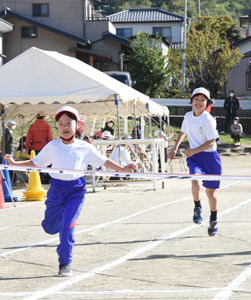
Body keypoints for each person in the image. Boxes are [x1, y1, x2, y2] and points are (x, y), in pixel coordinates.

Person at [4, 106, 137, 276]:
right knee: (51, 228)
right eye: (61, 124)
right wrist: (16, 164)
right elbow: (36, 163)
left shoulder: (85, 147)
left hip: (76, 191)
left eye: (69, 123)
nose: (65, 127)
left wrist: (124, 169)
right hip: (56, 190)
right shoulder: (52, 146)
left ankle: (65, 263)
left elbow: (104, 161)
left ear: (78, 125)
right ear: (57, 127)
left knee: (68, 227)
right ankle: (54, 222)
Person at [167, 87, 222, 237]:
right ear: (191, 101)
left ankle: (213, 219)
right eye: (196, 99)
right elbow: (182, 132)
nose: (199, 102)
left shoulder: (207, 119)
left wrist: (192, 151)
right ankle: (197, 207)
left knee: (211, 193)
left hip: (210, 158)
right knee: (195, 181)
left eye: (203, 100)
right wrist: (174, 149)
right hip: (195, 158)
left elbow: (211, 142)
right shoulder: (187, 116)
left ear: (207, 103)